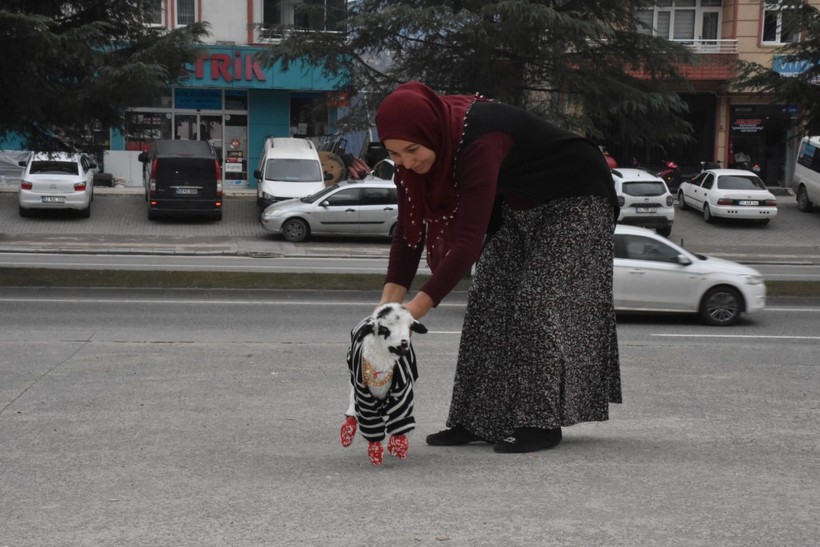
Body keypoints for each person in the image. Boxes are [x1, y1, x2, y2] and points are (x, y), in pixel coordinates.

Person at [373, 81, 622, 454]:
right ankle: (476, 419)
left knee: (536, 303)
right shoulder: (409, 168)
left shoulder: (480, 140)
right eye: (395, 153)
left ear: (432, 132)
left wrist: (411, 314)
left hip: (577, 197)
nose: (408, 162)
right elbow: (408, 240)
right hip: (518, 205)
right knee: (487, 299)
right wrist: (383, 312)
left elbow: (467, 243)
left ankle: (539, 423)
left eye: (413, 150)